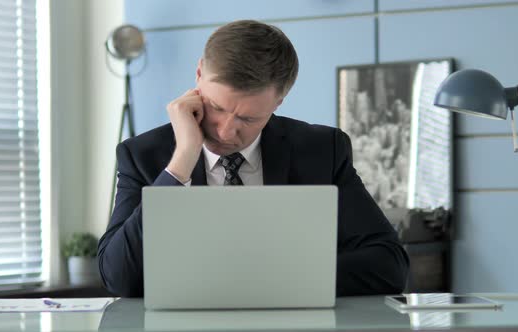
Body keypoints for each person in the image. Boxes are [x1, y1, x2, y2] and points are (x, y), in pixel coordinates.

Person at [98, 20, 409, 297]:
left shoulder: (321, 149)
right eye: (216, 107)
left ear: (279, 101)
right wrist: (181, 162)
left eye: (248, 119)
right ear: (198, 75)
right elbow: (118, 277)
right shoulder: (143, 155)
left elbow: (389, 265)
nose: (226, 131)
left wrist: (261, 278)